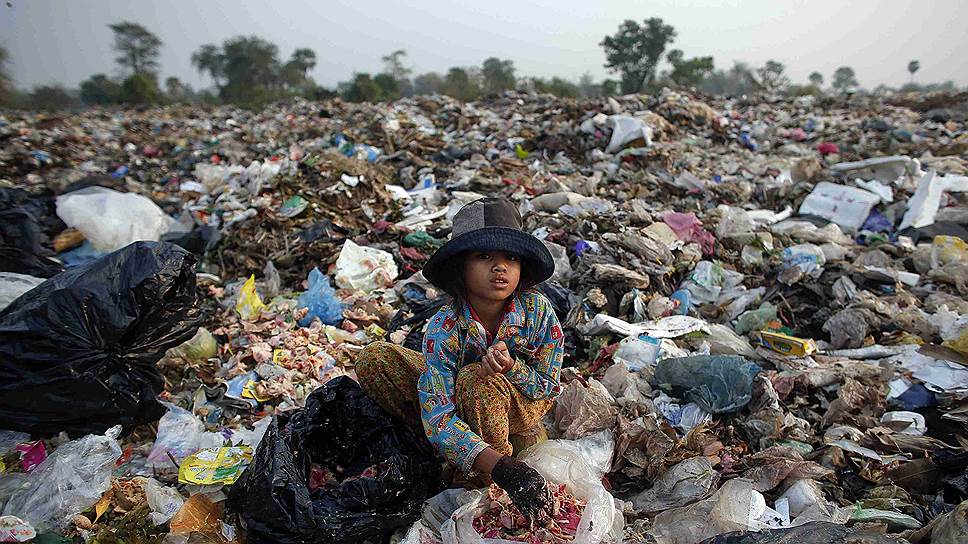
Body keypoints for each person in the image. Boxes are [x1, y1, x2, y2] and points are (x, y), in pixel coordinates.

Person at [355, 196, 564, 518]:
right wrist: (505, 468)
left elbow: (547, 388)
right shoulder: (444, 326)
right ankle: (475, 453)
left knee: (476, 382)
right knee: (375, 357)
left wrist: (512, 368)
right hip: (462, 402)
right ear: (460, 268)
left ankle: (482, 473)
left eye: (510, 257)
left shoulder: (538, 312)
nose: (500, 267)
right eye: (483, 256)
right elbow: (438, 411)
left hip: (520, 405)